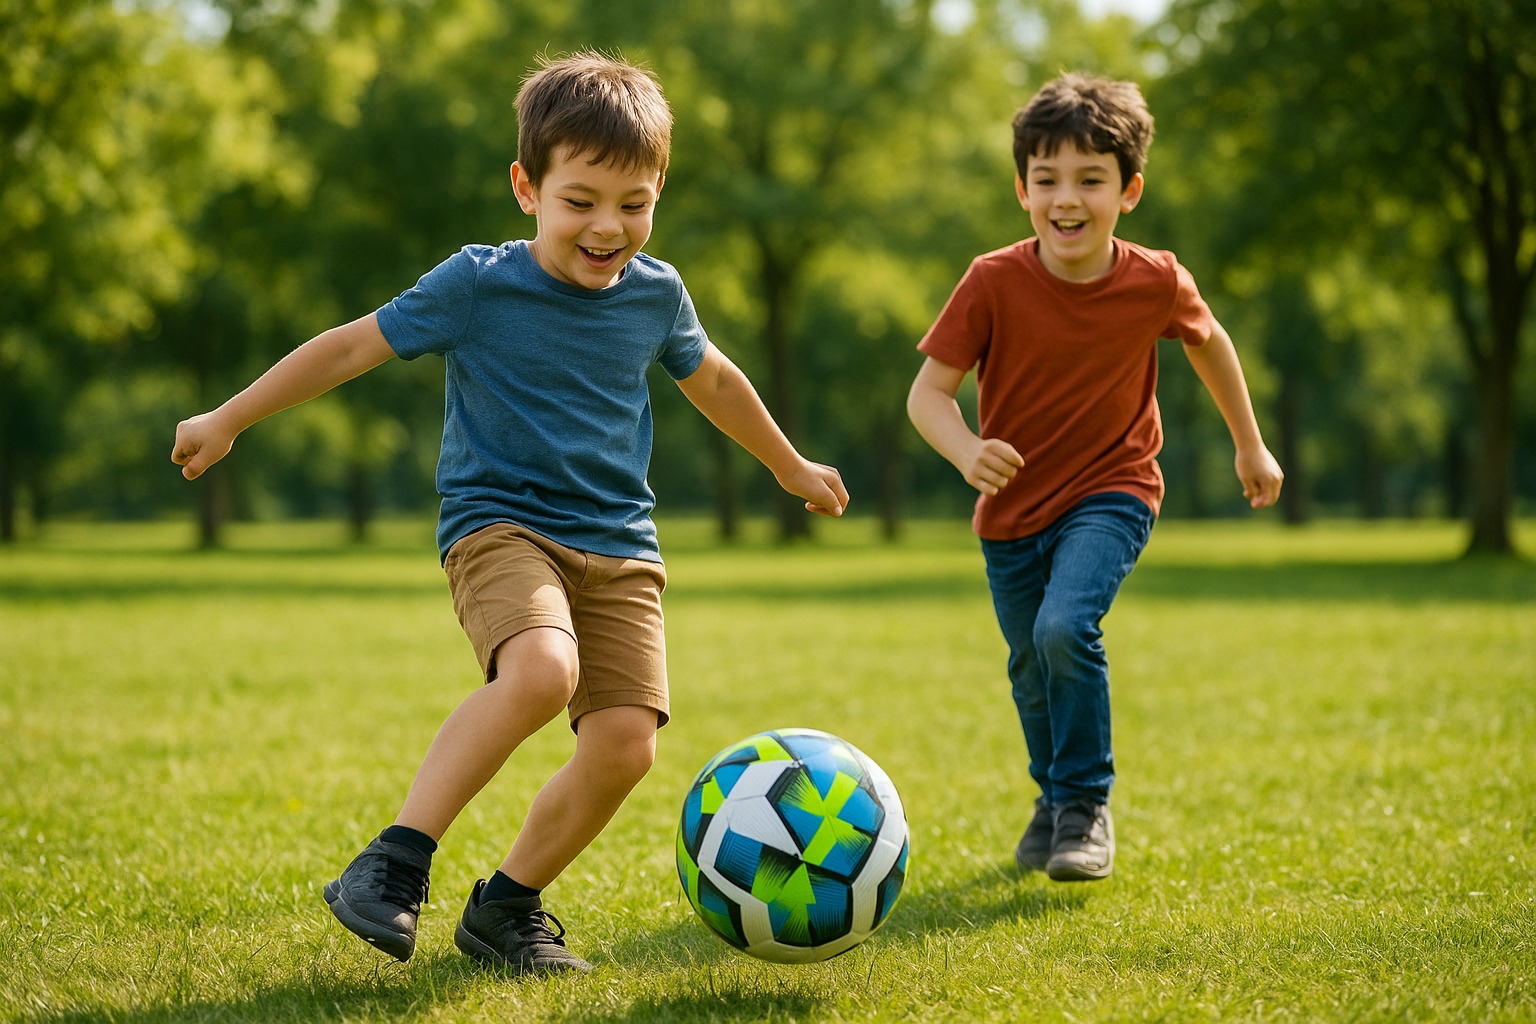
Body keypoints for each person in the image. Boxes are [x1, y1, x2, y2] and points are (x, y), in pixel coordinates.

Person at [171, 51, 847, 973]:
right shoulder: (478, 284)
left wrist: (791, 465)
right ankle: (394, 864)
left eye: (635, 203)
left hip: (620, 544)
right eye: (582, 201)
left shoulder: (658, 295)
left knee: (624, 748)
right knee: (540, 673)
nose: (609, 228)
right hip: (502, 526)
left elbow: (716, 380)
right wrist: (228, 417)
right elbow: (347, 348)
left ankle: (507, 907)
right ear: (527, 187)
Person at [906, 72, 1282, 883]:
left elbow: (1209, 342)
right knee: (1030, 668)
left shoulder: (1154, 280)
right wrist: (967, 450)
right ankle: (1053, 800)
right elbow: (927, 394)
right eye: (1047, 180)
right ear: (1022, 189)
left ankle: (1086, 806)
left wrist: (1250, 445)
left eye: (1089, 179)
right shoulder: (993, 280)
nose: (1065, 198)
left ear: (1129, 190)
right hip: (1011, 510)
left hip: (1114, 489)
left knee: (1063, 630)